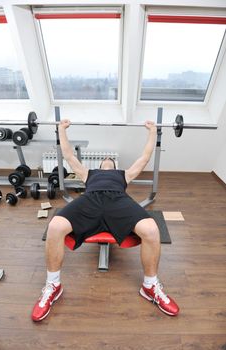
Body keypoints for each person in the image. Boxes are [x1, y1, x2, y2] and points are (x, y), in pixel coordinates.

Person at [31, 120, 179, 322]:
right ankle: (53, 285)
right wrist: (61, 130)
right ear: (100, 165)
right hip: (90, 200)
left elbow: (145, 157)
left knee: (152, 230)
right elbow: (68, 155)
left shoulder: (123, 174)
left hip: (118, 201)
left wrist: (153, 132)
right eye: (105, 160)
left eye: (111, 160)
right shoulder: (88, 173)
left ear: (115, 166)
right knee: (55, 226)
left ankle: (150, 286)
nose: (108, 160)